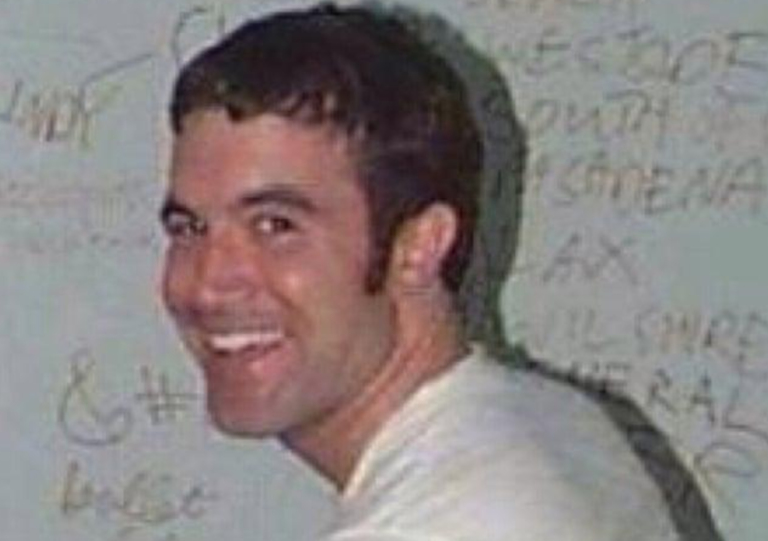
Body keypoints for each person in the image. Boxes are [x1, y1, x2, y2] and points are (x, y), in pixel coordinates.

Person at [159, 3, 713, 539]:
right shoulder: (555, 425)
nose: (207, 285)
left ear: (419, 247)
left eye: (275, 225)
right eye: (189, 228)